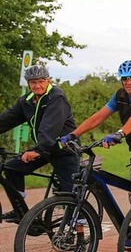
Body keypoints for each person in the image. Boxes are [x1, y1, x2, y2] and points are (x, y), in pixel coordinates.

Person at [60, 60, 131, 252]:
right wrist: (74, 133)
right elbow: (98, 117)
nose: (128, 82)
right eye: (124, 78)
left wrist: (119, 133)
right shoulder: (120, 95)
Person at [0, 65, 79, 225]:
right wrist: (39, 149)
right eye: (33, 82)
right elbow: (6, 119)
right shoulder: (27, 102)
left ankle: (79, 237)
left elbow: (49, 127)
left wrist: (38, 149)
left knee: (70, 196)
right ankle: (19, 210)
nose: (37, 85)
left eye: (41, 81)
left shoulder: (56, 97)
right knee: (12, 168)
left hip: (65, 150)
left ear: (48, 80)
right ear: (28, 83)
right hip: (44, 148)